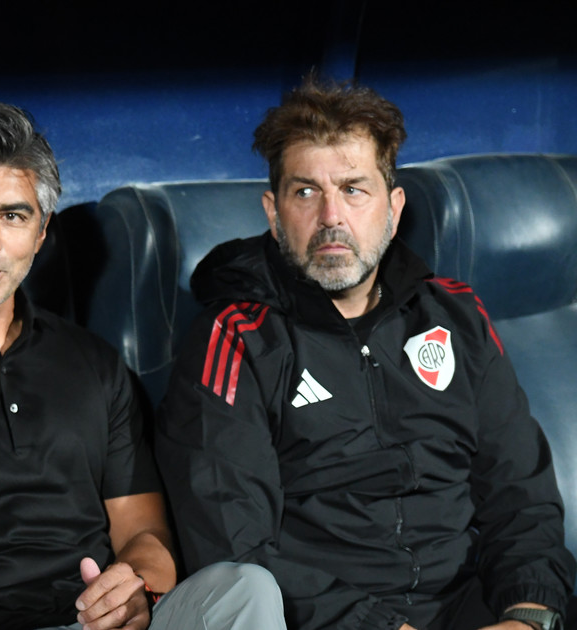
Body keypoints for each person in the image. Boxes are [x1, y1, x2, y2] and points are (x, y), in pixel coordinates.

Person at [0, 99, 285, 630]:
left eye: (12, 216)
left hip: (84, 621)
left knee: (247, 588)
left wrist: (136, 591)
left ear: (39, 234)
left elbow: (143, 534)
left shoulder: (93, 362)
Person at [155, 76, 576, 630]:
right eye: (306, 192)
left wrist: (528, 613)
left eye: (354, 189)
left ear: (394, 209)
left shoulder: (456, 316)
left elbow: (521, 497)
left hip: (472, 607)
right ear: (274, 214)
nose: (331, 217)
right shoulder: (237, 338)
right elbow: (234, 547)